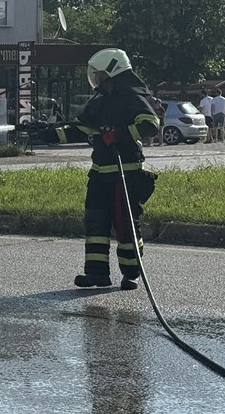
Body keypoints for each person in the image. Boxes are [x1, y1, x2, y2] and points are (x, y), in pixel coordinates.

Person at [41, 48, 160, 291]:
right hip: (99, 173)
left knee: (126, 224)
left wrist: (117, 135)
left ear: (113, 73)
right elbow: (82, 128)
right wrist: (49, 134)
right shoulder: (98, 103)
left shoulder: (133, 99)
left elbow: (150, 125)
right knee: (95, 223)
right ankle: (96, 274)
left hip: (125, 173)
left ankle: (131, 274)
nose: (95, 80)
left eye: (99, 75)